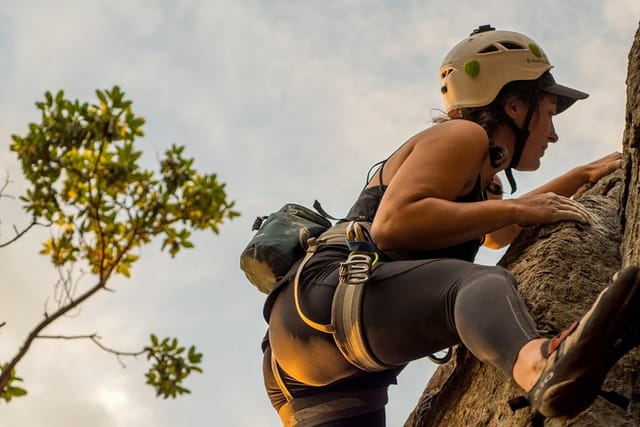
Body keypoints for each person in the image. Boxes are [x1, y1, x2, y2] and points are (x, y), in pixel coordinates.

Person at [261, 25, 638, 426]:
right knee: (479, 282)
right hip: (332, 300)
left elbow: (498, 233)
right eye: (548, 111)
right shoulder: (463, 135)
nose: (554, 134)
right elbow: (394, 224)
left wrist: (582, 176)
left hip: (312, 363)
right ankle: (538, 365)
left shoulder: (482, 175)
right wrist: (518, 210)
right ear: (514, 106)